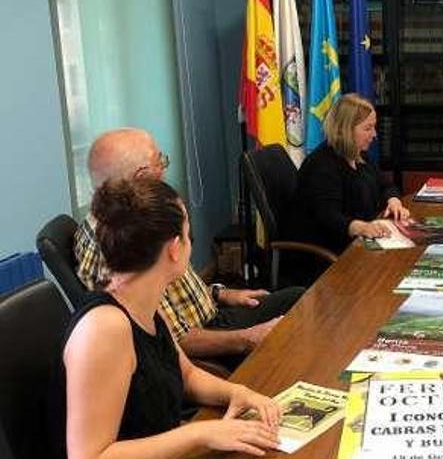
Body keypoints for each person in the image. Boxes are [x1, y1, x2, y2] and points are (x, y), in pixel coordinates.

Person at [65, 177, 281, 458]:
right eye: (188, 232)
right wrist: (201, 433)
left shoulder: (145, 305)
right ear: (174, 248)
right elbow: (89, 456)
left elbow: (187, 375)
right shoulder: (103, 329)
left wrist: (238, 393)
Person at [75, 128, 301, 367]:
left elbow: (175, 289)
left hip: (210, 317)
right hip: (206, 345)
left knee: (298, 301)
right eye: (159, 161)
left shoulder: (134, 221)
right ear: (141, 178)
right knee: (297, 323)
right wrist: (249, 338)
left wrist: (221, 293)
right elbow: (174, 341)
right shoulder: (116, 244)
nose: (164, 167)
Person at [296, 94, 410, 254]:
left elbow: (385, 184)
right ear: (345, 130)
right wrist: (362, 228)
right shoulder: (322, 166)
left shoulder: (358, 155)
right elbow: (328, 218)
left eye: (374, 127)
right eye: (367, 128)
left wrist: (393, 201)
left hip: (357, 245)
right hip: (328, 256)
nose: (375, 135)